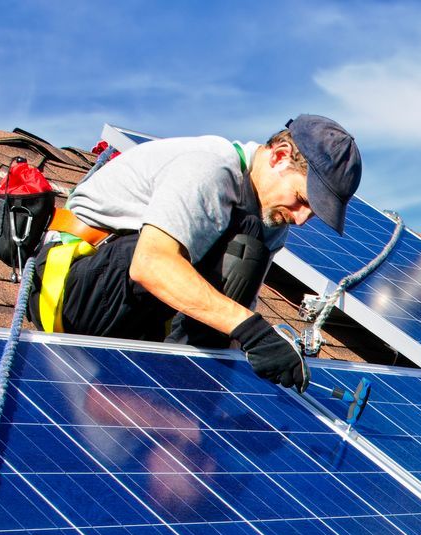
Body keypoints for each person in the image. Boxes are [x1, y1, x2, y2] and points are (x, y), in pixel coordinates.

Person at [27, 115, 362, 389]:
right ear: (278, 156)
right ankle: (174, 389)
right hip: (71, 288)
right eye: (302, 200)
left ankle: (184, 392)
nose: (302, 219)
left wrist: (255, 384)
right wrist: (252, 331)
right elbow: (151, 264)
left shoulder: (269, 222)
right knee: (236, 250)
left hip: (129, 308)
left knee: (249, 249)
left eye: (312, 212)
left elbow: (235, 311)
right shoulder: (210, 167)